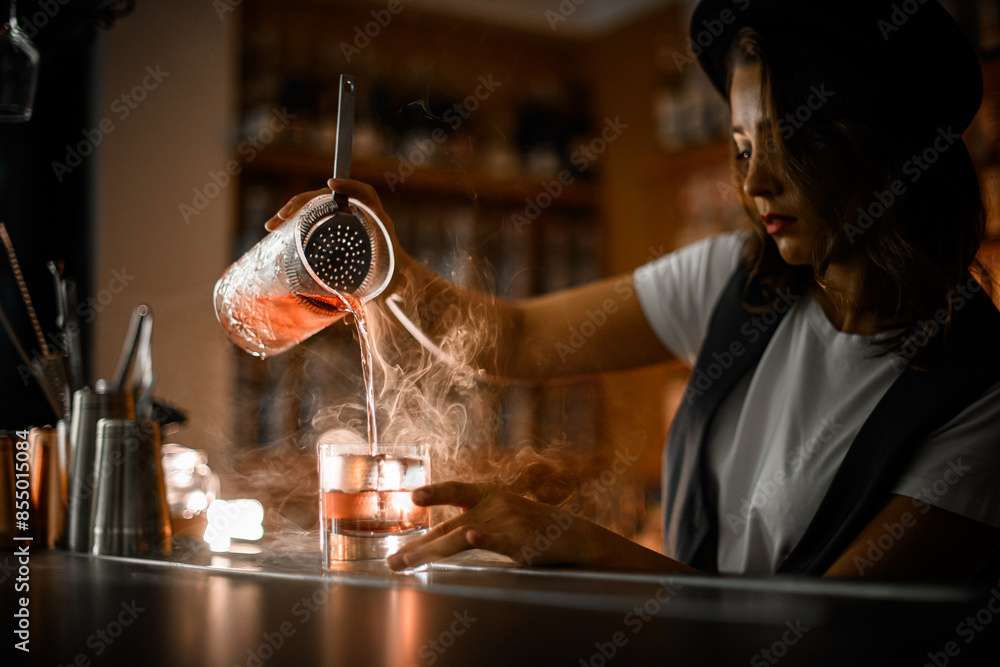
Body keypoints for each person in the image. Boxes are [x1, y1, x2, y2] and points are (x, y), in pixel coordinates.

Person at [265, 0, 1000, 581]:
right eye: (743, 148)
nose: (755, 182)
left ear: (885, 146)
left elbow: (840, 628)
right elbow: (514, 340)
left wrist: (586, 545)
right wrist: (380, 262)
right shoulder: (736, 281)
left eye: (788, 144)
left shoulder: (978, 393)